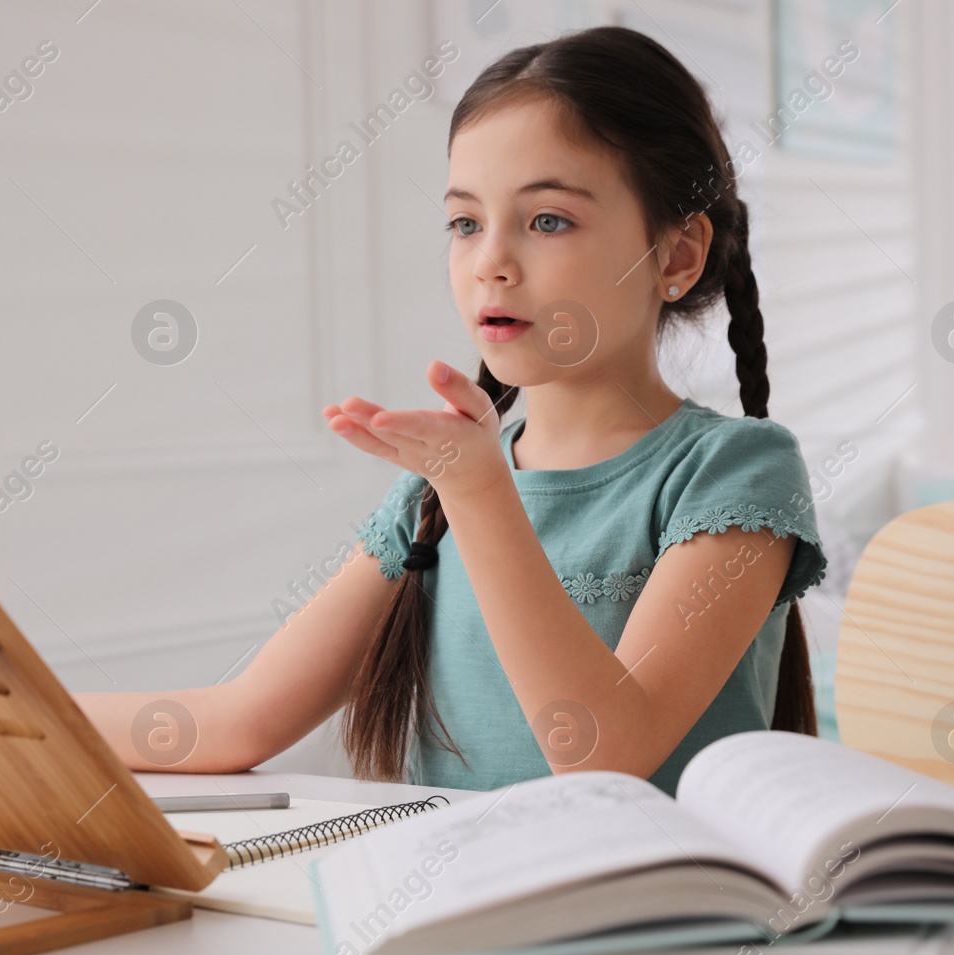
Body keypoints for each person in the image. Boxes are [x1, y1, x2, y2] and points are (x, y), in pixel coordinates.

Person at [74, 26, 827, 795]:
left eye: (548, 221)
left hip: (661, 913)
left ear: (675, 256)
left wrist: (477, 492)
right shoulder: (435, 499)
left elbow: (604, 753)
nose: (489, 262)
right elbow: (238, 721)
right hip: (454, 905)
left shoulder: (736, 475)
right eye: (465, 223)